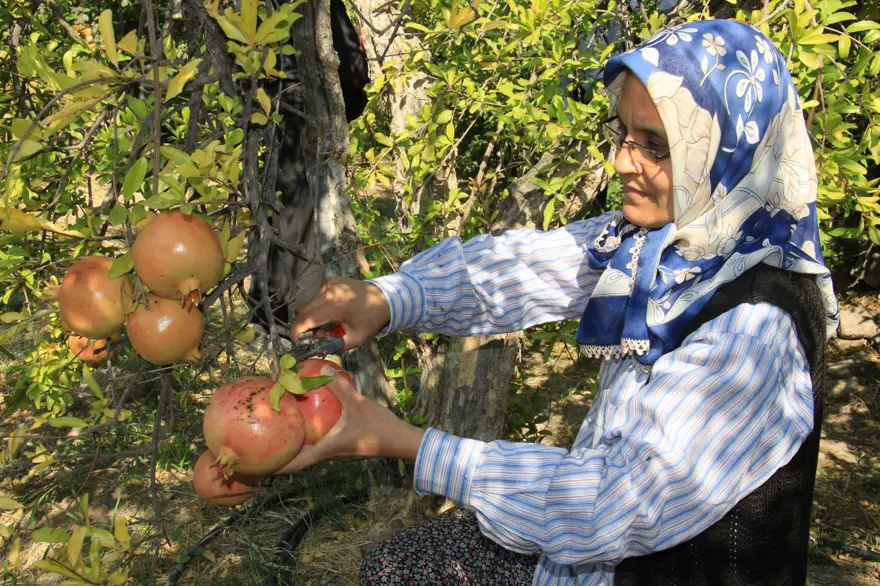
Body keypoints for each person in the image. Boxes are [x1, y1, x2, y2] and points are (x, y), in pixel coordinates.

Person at [275, 18, 840, 585]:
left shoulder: (754, 327)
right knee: (398, 566)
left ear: (727, 152)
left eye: (656, 146)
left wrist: (407, 443)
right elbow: (528, 268)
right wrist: (389, 298)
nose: (622, 162)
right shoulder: (666, 243)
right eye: (623, 134)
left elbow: (612, 505)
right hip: (584, 565)